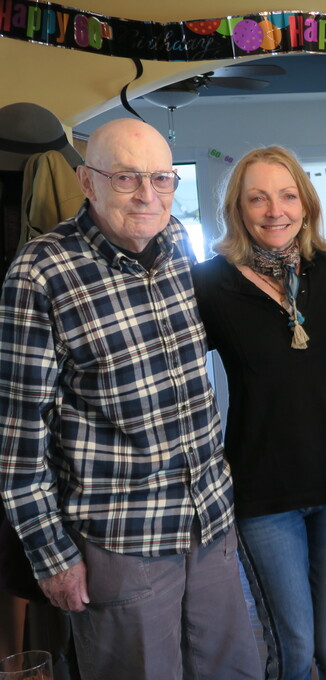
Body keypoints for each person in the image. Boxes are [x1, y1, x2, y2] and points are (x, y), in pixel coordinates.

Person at [0, 118, 259, 679]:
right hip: (122, 538)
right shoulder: (41, 272)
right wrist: (52, 556)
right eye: (126, 177)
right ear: (87, 182)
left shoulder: (178, 245)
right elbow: (18, 439)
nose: (147, 194)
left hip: (209, 524)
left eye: (161, 178)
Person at [191, 146, 326, 680]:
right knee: (293, 654)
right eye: (258, 199)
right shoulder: (209, 284)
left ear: (306, 204)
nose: (275, 211)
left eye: (288, 196)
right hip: (263, 494)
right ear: (238, 210)